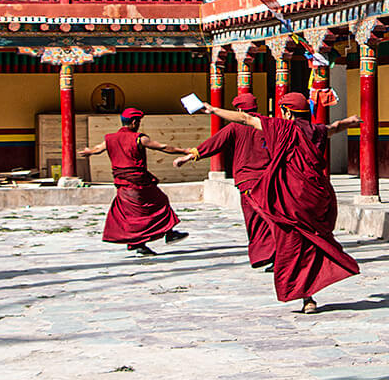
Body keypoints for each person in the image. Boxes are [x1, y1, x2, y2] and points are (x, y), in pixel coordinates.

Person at [208, 91, 361, 313]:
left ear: (287, 112)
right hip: (314, 196)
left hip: (289, 198)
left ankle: (307, 296)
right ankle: (309, 295)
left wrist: (213, 110)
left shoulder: (282, 127)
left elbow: (245, 119)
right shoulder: (315, 130)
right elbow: (332, 128)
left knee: (292, 245)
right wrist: (348, 122)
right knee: (311, 244)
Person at [175, 92, 274, 270]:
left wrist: (189, 157)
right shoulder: (268, 124)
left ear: (238, 109)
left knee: (255, 219)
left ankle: (267, 255)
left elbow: (213, 144)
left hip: (248, 181)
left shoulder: (235, 127)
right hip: (270, 180)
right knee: (270, 217)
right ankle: (275, 254)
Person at [79, 108, 193, 256]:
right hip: (139, 183)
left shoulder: (110, 138)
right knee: (160, 202)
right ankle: (167, 233)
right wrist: (184, 151)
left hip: (123, 184)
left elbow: (97, 149)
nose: (138, 125)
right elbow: (163, 147)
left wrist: (89, 152)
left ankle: (140, 244)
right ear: (134, 122)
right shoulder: (139, 138)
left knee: (132, 214)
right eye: (138, 122)